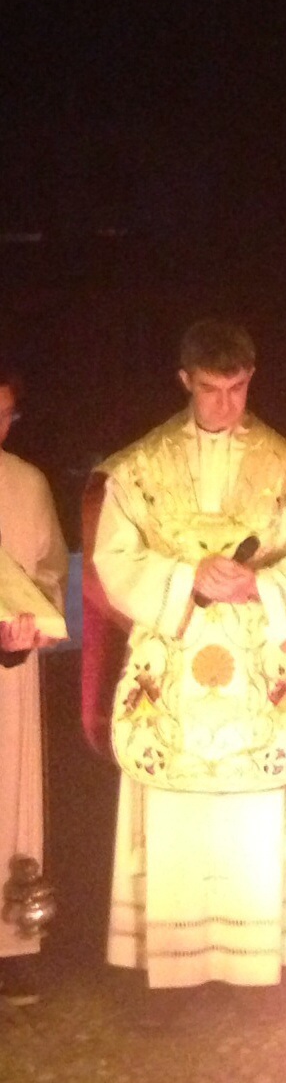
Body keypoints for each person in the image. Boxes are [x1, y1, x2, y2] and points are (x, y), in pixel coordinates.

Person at [83, 318, 286, 1014]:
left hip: (256, 668)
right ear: (184, 381)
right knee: (174, 818)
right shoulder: (142, 467)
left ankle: (254, 974)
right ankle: (173, 977)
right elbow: (113, 557)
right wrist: (187, 579)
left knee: (253, 816)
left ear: (250, 379)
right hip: (173, 666)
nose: (225, 403)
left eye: (237, 388)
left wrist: (261, 583)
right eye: (210, 389)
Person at [0, 364, 69, 1004]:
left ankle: (13, 945)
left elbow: (49, 571)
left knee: (10, 804)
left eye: (5, 416)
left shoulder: (27, 484)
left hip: (11, 679)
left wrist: (36, 620)